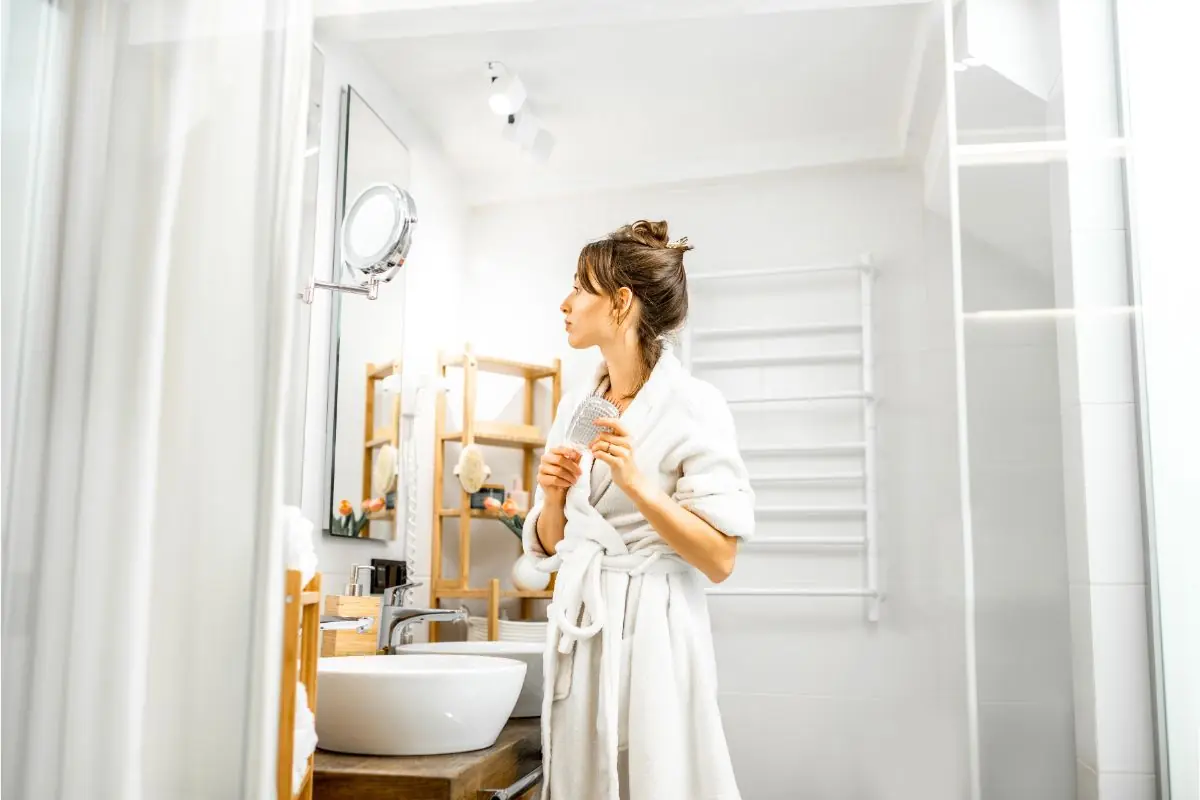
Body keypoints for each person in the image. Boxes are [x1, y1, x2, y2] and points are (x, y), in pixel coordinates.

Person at [521, 220, 755, 800]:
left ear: (621, 303)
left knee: (657, 778)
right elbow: (553, 545)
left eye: (580, 287)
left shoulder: (694, 405)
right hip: (587, 624)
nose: (565, 303)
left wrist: (641, 488)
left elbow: (720, 559)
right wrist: (552, 497)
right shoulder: (579, 403)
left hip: (656, 628)